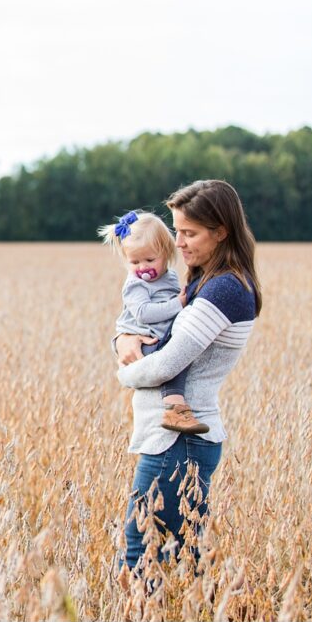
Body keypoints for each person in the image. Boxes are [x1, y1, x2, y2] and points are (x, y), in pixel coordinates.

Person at [113, 180, 261, 576]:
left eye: (189, 233)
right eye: (176, 231)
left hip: (178, 441)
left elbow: (165, 363)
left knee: (140, 551)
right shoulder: (203, 283)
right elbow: (150, 335)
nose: (178, 242)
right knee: (183, 555)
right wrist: (123, 338)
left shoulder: (224, 289)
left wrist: (125, 369)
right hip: (176, 438)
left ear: (221, 231)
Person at [98, 210, 207, 434]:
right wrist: (179, 304)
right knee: (174, 357)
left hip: (157, 334)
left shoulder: (169, 276)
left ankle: (175, 406)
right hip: (144, 339)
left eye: (149, 259)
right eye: (134, 261)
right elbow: (144, 313)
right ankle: (174, 407)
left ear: (166, 254)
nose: (142, 267)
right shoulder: (135, 284)